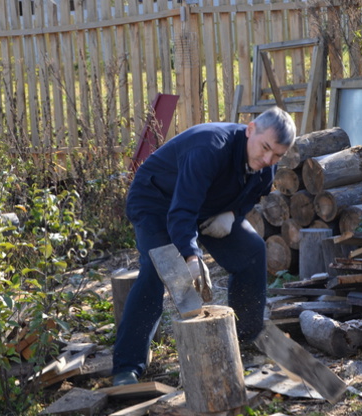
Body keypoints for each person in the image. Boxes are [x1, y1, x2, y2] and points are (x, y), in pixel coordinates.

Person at [112, 106, 297, 386]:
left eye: (278, 155)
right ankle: (127, 365)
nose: (268, 158)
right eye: (265, 148)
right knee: (157, 270)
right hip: (156, 202)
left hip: (207, 207)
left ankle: (246, 337)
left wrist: (232, 215)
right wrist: (190, 255)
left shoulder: (266, 166)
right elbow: (181, 212)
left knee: (252, 252)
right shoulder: (208, 148)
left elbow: (254, 194)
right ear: (250, 130)